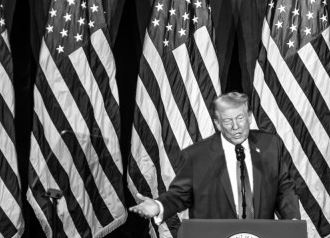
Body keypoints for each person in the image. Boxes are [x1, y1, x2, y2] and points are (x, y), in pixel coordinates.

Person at [129, 91, 302, 223]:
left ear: (249, 117)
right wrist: (158, 206)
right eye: (227, 121)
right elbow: (180, 194)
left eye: (240, 118)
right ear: (218, 124)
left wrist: (292, 220)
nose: (236, 126)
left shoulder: (270, 145)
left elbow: (284, 187)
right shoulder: (197, 155)